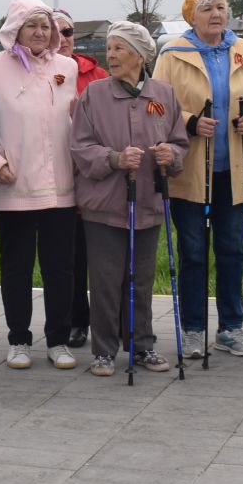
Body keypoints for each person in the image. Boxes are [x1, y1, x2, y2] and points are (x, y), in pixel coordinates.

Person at [152, 0, 243, 358]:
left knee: (232, 250)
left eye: (220, 7)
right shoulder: (173, 54)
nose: (216, 15)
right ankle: (192, 329)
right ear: (191, 16)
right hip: (190, 174)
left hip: (235, 172)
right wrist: (189, 122)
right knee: (193, 253)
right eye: (206, 9)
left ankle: (231, 328)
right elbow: (154, 106)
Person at [69, 22, 187, 376]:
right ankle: (103, 350)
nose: (112, 55)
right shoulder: (94, 95)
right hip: (105, 206)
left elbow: (181, 142)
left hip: (148, 204)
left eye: (120, 48)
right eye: (110, 48)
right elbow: (80, 146)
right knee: (105, 280)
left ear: (140, 54)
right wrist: (114, 159)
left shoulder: (163, 94)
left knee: (142, 278)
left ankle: (141, 345)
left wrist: (172, 155)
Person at [0, 0, 80, 369]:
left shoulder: (67, 66)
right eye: (31, 24)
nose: (39, 32)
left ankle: (58, 340)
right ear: (14, 28)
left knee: (60, 267)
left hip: (61, 186)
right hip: (13, 185)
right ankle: (18, 338)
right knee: (16, 266)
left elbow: (75, 122)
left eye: (45, 25)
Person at [55, 9, 107, 348]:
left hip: (98, 177)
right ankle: (77, 319)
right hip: (59, 176)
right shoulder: (38, 72)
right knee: (70, 257)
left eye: (68, 31)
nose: (62, 39)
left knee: (104, 256)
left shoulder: (96, 73)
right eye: (54, 32)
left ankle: (111, 319)